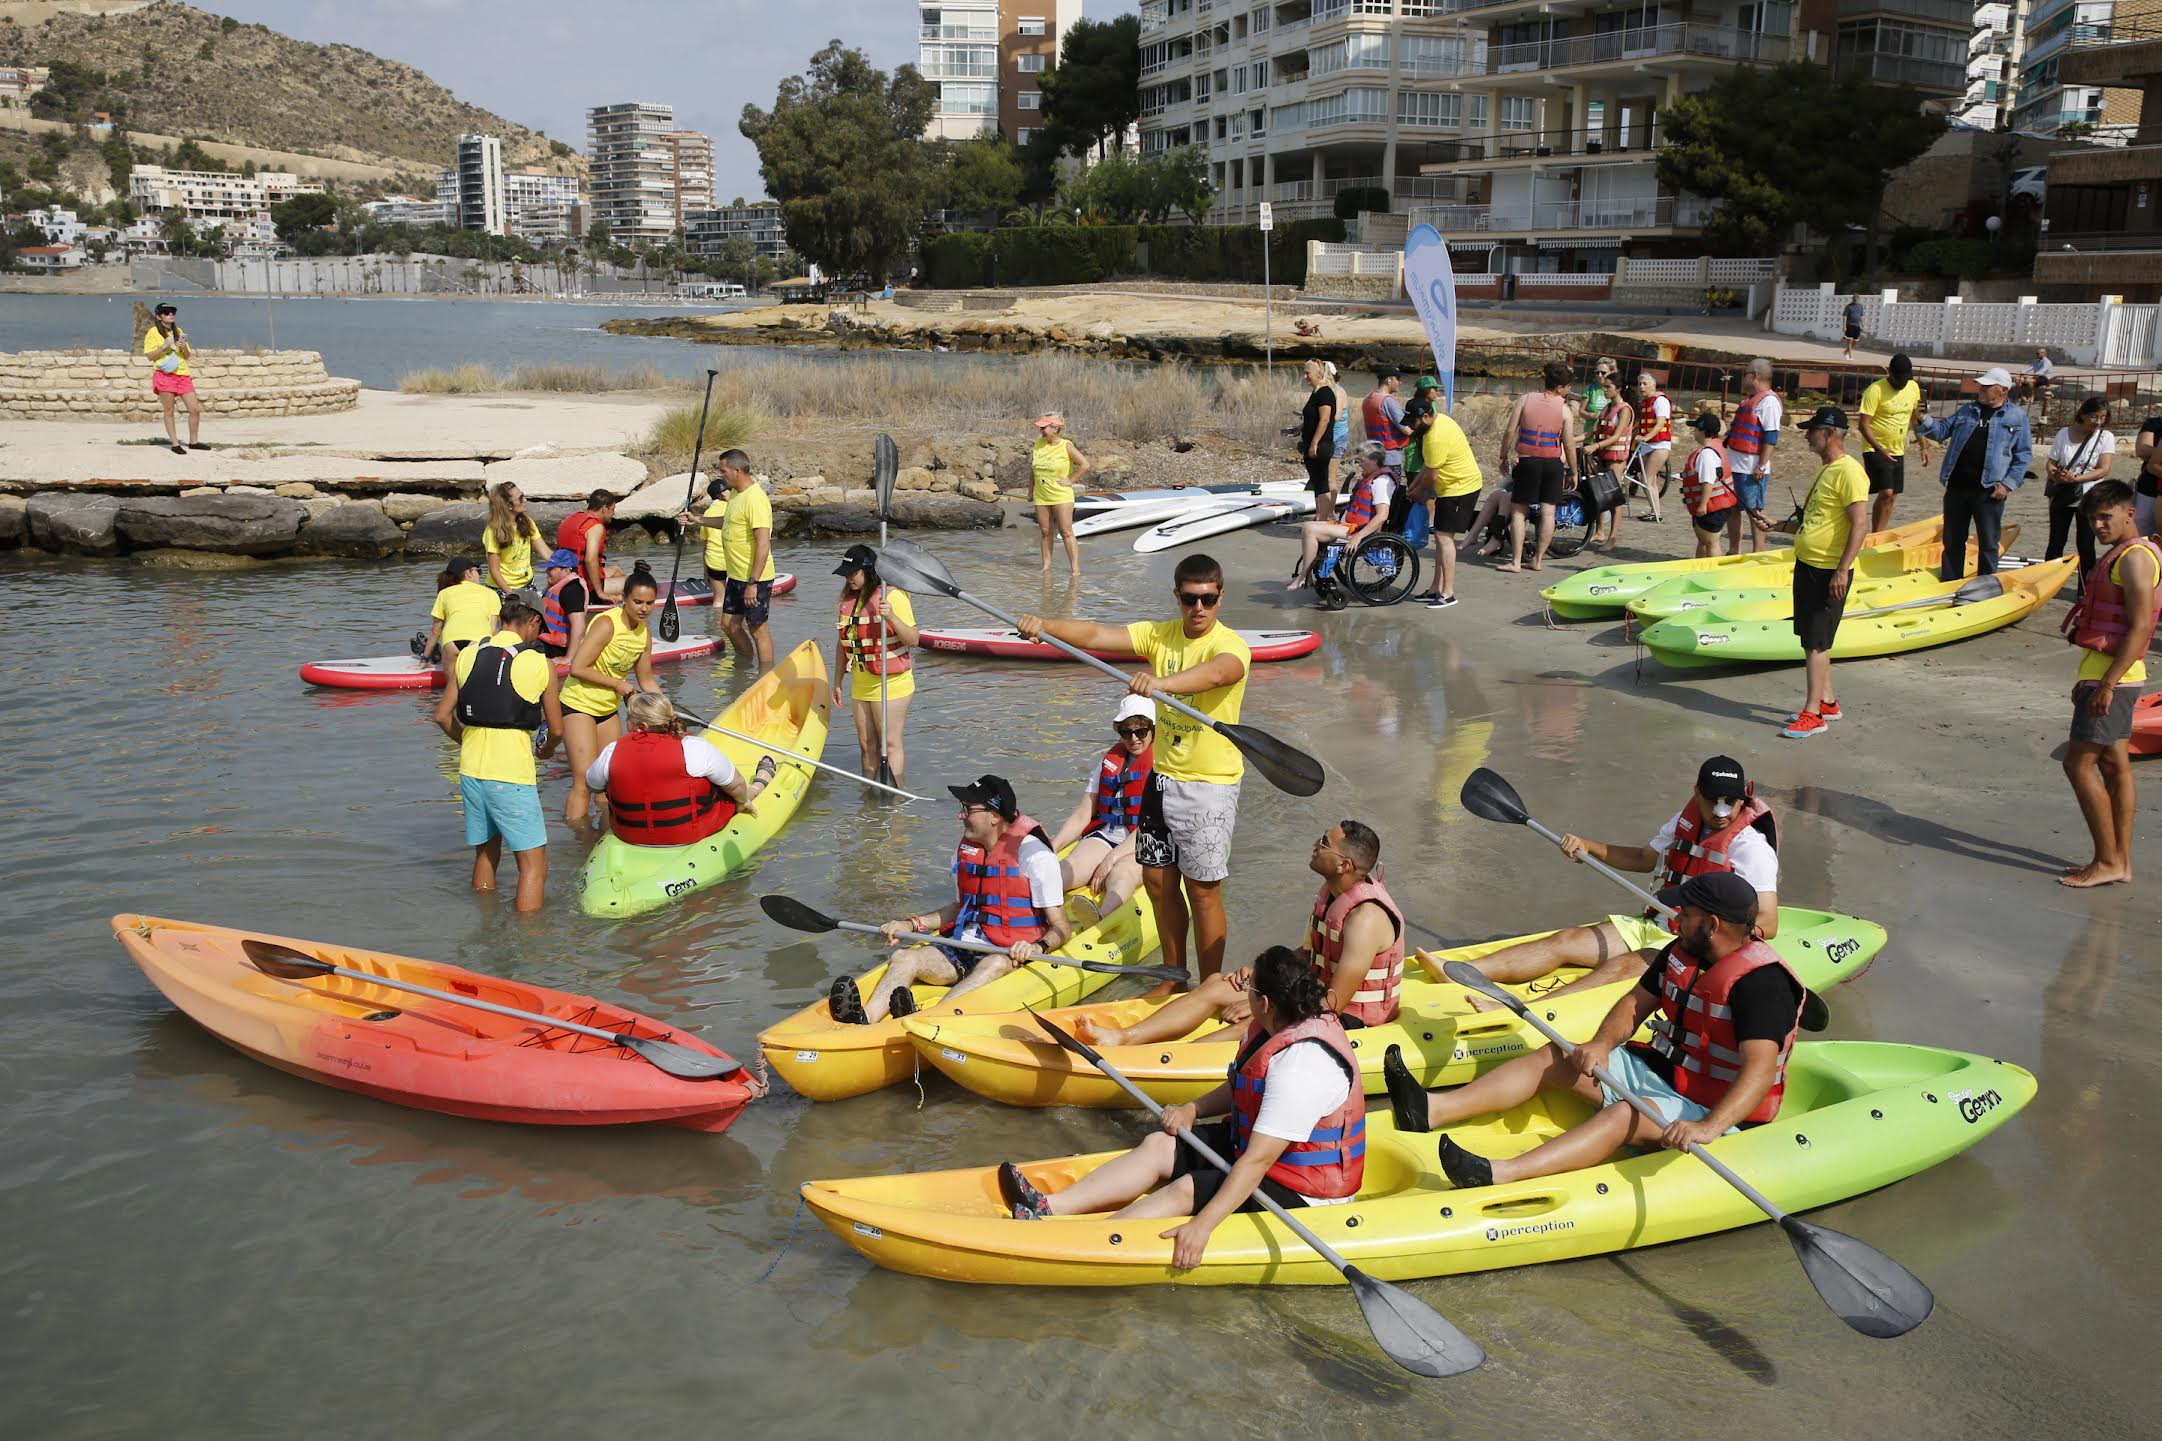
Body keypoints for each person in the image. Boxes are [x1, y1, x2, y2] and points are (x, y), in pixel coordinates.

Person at [1386, 873, 1802, 1194]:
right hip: (1668, 1079)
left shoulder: (1762, 986)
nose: (1677, 918)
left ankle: (1502, 1174)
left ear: (1711, 924)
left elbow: (1759, 1072)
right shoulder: (1683, 953)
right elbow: (1634, 1003)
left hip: (1721, 1115)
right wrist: (1601, 1044)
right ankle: (1431, 1109)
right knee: (1557, 1054)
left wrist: (1709, 1127)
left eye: (1687, 914)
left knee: (1626, 1114)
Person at [998, 945, 1367, 1245]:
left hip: (1303, 1193)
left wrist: (1202, 1227)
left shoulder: (1301, 1066)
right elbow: (1244, 1087)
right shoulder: (1271, 1027)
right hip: (1264, 1153)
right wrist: (1194, 1108)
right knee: (1160, 1145)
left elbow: (1256, 1163)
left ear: (1267, 1003)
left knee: (1186, 1189)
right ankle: (1050, 1207)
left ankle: (1085, 1241)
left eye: (1251, 990)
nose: (1244, 995)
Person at [1018, 554, 1251, 985]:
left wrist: (1161, 683)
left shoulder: (1231, 645)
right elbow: (1094, 633)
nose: (1198, 609)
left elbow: (1219, 674)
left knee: (1202, 893)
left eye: (1207, 599)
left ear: (1220, 598)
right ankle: (1172, 976)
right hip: (1162, 783)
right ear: (1177, 597)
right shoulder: (1159, 636)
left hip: (1209, 788)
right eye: (1189, 599)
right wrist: (1046, 626)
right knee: (1160, 885)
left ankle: (1211, 985)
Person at [1457, 755, 1778, 1004]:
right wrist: (1587, 845)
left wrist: (1710, 931)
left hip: (1694, 944)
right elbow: (1642, 859)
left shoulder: (1751, 849)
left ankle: (1521, 1007)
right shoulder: (1687, 820)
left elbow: (1770, 924)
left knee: (1622, 967)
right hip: (1657, 923)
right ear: (1696, 793)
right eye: (1712, 800)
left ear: (1743, 798)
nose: (1721, 811)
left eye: (1730, 802)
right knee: (1566, 940)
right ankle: (1462, 973)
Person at [1075, 819, 1405, 1050]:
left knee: (1255, 1021)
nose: (1315, 845)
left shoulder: (1364, 919)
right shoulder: (1331, 893)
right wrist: (1263, 976)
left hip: (1353, 1020)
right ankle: (1125, 1039)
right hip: (1313, 991)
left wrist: (1266, 1003)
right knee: (1218, 982)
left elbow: (1334, 1003)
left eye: (1324, 843)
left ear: (1344, 865)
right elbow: (1309, 955)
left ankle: (1163, 1061)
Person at [827, 774, 1072, 1025]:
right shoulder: (965, 851)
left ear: (995, 816)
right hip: (964, 947)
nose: (960, 815)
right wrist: (911, 924)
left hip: (1006, 953)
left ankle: (928, 1021)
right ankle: (864, 1020)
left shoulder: (1036, 856)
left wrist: (1037, 947)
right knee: (904, 958)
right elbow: (959, 908)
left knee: (994, 964)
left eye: (968, 809)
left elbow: (1062, 927)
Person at [431, 598, 566, 912]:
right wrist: (546, 751)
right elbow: (557, 730)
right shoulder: (538, 663)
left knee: (486, 853)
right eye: (540, 627)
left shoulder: (469, 654)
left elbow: (441, 716)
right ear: (532, 620)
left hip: (471, 772)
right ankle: (530, 944)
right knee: (534, 865)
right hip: (511, 775)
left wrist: (468, 740)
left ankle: (486, 920)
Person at [2058, 480, 2158, 889]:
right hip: (2108, 675)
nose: (2098, 525)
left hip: (2113, 678)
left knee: (2076, 763)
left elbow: (2138, 629)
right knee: (2114, 766)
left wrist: (2106, 685)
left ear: (2129, 514)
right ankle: (2121, 862)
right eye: (2093, 519)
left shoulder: (2135, 558)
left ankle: (2107, 860)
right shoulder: (2130, 554)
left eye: (2106, 517)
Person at [1777, 406, 1871, 740]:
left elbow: (1860, 524)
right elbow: (1816, 521)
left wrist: (1842, 570)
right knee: (1811, 639)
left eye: (1811, 429)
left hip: (1828, 569)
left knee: (1817, 642)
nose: (1806, 435)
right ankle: (1827, 700)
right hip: (1809, 565)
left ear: (1829, 433)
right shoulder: (1828, 469)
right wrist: (1775, 525)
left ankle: (1813, 713)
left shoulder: (1849, 472)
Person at [584, 692, 774, 848]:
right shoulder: (694, 747)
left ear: (641, 726)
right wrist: (742, 801)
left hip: (629, 835)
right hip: (689, 834)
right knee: (732, 791)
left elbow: (592, 785)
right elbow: (736, 785)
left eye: (629, 719)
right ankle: (758, 785)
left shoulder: (612, 750)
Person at [558, 563, 660, 825]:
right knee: (584, 779)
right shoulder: (606, 624)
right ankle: (579, 839)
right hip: (578, 705)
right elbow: (577, 667)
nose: (643, 609)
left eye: (649, 603)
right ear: (623, 598)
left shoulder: (644, 635)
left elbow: (646, 680)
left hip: (607, 710)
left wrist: (665, 710)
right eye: (637, 601)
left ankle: (605, 837)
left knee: (608, 780)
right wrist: (617, 685)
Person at [1914, 366, 2032, 581]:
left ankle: (1985, 585)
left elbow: (2022, 455)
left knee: (1988, 543)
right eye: (1982, 385)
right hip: (1957, 487)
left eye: (1987, 386)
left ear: (2003, 390)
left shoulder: (2016, 417)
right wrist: (1923, 418)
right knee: (1952, 541)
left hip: (1988, 491)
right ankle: (1951, 582)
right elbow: (1941, 432)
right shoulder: (1968, 410)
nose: (1981, 389)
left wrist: (2007, 485)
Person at [1048, 696, 1156, 919]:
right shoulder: (1110, 761)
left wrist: (1111, 859)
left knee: (1121, 873)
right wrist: (1053, 847)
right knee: (1070, 866)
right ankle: (1028, 905)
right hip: (1106, 836)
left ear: (1153, 729)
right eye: (1126, 732)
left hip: (1144, 840)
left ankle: (1101, 916)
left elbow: (1150, 825)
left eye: (1141, 731)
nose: (1133, 739)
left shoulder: (1162, 765)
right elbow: (1082, 814)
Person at [679, 448, 776, 671]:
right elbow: (729, 521)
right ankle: (744, 668)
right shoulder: (735, 494)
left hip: (755, 578)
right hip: (735, 575)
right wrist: (698, 520)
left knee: (757, 629)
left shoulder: (756, 499)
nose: (721, 476)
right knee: (729, 625)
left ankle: (766, 676)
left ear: (737, 470)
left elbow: (763, 543)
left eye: (723, 471)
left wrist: (753, 583)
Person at [831, 543, 919, 783]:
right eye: (846, 574)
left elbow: (913, 639)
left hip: (892, 682)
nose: (848, 578)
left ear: (870, 571)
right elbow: (844, 643)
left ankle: (895, 798)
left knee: (889, 744)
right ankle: (869, 799)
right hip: (861, 680)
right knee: (866, 744)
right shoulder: (849, 601)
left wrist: (890, 616)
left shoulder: (893, 597)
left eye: (853, 573)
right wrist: (837, 680)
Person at [1497, 360, 1580, 573]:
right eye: (1569, 387)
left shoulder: (1525, 400)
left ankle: (1516, 561)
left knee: (1518, 511)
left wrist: (1503, 456)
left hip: (1528, 462)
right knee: (1548, 512)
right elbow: (1569, 444)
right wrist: (1574, 470)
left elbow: (1509, 431)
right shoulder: (1564, 410)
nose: (1570, 391)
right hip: (1552, 465)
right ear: (1560, 387)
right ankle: (1538, 561)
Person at [1289, 442, 1391, 590]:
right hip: (1350, 526)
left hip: (1359, 531)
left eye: (1362, 461)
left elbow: (1382, 516)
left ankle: (1304, 576)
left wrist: (1359, 536)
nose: (1359, 465)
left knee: (1310, 529)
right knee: (1308, 527)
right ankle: (1307, 575)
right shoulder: (1370, 478)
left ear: (1375, 460)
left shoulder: (1381, 482)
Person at [1412, 404, 1483, 609]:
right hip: (1450, 488)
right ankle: (1436, 588)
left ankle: (1448, 593)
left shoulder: (1435, 437)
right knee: (1441, 537)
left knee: (1444, 537)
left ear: (1425, 417)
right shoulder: (1437, 423)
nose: (1411, 427)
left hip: (1462, 488)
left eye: (1413, 422)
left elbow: (1432, 475)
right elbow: (1429, 465)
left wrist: (1418, 492)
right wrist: (1414, 487)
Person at [2045, 398, 2117, 582]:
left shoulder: (2105, 437)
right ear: (2083, 415)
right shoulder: (2063, 433)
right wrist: (2056, 475)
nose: (2098, 422)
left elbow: (2104, 469)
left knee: (2085, 543)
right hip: (2063, 493)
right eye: (2094, 417)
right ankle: (2048, 581)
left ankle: (2085, 586)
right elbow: (2052, 462)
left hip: (2089, 495)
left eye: (2103, 417)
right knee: (2056, 540)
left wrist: (2076, 478)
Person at [1858, 353, 1927, 534]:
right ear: (1890, 373)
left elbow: (1915, 418)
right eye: (1899, 380)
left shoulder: (1913, 387)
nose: (1902, 384)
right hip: (1875, 448)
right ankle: (1872, 533)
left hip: (1898, 449)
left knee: (1892, 496)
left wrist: (1923, 445)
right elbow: (1863, 425)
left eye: (1905, 380)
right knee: (1886, 492)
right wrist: (1880, 449)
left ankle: (1878, 534)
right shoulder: (1875, 391)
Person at [1724, 359, 1783, 555]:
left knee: (1754, 511)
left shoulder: (1769, 403)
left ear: (1755, 375)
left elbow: (1771, 437)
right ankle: (1734, 550)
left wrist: (1762, 465)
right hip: (1734, 464)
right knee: (1732, 508)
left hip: (1751, 468)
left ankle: (1758, 552)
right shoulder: (1748, 401)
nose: (1742, 379)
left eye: (1745, 374)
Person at [1030, 412, 1088, 577]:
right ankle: (1046, 567)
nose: (1041, 430)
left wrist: (1071, 480)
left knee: (1066, 531)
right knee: (1045, 531)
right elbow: (1032, 470)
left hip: (1061, 495)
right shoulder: (1038, 444)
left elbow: (1085, 464)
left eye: (1044, 427)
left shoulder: (1066, 445)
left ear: (1055, 428)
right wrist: (1030, 491)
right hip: (1041, 495)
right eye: (1040, 427)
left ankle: (1075, 570)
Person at [143, 302, 202, 455]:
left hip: (182, 374)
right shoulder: (153, 332)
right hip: (164, 375)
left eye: (172, 311)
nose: (170, 314)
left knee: (194, 409)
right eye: (166, 312)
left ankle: (194, 442)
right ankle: (175, 444)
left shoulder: (178, 331)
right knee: (169, 410)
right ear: (158, 316)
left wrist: (183, 348)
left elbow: (187, 356)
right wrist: (165, 346)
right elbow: (150, 356)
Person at [423, 557, 501, 672]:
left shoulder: (444, 594)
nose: (479, 575)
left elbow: (435, 631)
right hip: (478, 641)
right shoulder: (490, 594)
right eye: (478, 571)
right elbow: (492, 630)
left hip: (451, 642)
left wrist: (424, 659)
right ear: (469, 573)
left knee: (451, 688)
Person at [1583, 380, 1635, 550]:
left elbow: (1616, 435)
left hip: (1615, 458)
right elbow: (1593, 432)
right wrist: (1571, 439)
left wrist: (1595, 446)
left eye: (1608, 387)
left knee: (1613, 497)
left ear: (1618, 388)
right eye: (1604, 387)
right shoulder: (1606, 408)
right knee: (1598, 493)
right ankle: (1600, 531)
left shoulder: (1625, 409)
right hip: (1602, 455)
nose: (1604, 390)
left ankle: (1612, 538)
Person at [1679, 413, 1736, 559]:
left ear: (1702, 431)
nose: (1694, 432)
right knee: (1704, 541)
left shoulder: (1706, 454)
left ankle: (1713, 574)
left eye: (1695, 429)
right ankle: (1700, 569)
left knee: (1711, 542)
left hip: (1711, 507)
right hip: (1719, 504)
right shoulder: (1716, 446)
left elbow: (1707, 481)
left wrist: (1702, 505)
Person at [555, 490, 621, 605]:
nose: (613, 513)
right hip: (581, 588)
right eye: (612, 509)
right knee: (633, 583)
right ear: (604, 508)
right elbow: (590, 559)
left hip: (564, 579)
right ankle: (609, 599)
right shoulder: (595, 527)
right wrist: (600, 592)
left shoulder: (571, 519)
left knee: (616, 570)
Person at [480, 482, 543, 598]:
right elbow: (494, 570)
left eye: (523, 495)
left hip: (528, 584)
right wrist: (511, 594)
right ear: (508, 505)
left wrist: (565, 564)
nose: (525, 500)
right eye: (520, 498)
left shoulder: (527, 522)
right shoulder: (493, 531)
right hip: (502, 588)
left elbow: (545, 552)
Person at [1297, 359, 1340, 524]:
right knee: (1317, 481)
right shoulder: (1316, 392)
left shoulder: (1325, 393)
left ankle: (1324, 519)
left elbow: (1324, 420)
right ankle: (1320, 518)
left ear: (1319, 374)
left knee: (1322, 482)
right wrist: (1300, 428)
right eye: (1304, 372)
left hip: (1321, 445)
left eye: (1308, 373)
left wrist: (1314, 443)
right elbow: (1313, 418)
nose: (1305, 376)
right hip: (1313, 443)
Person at [1630, 370, 1673, 523]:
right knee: (1651, 480)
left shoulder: (1660, 401)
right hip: (1647, 445)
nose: (1641, 387)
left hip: (1659, 444)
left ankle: (1656, 513)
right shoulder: (1645, 403)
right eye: (1640, 384)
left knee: (1647, 479)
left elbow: (1660, 423)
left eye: (1645, 384)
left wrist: (1646, 437)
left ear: (1653, 385)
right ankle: (1655, 511)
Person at [535, 547, 589, 661]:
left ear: (567, 571)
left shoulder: (571, 591)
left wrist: (568, 658)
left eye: (551, 568)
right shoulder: (558, 587)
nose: (547, 571)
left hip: (557, 648)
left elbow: (579, 627)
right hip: (545, 641)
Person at [1359, 368, 1410, 480]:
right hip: (1389, 458)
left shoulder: (1368, 398)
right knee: (1389, 494)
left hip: (1373, 456)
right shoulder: (1388, 401)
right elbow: (1407, 429)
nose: (1400, 382)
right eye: (1398, 379)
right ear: (1389, 380)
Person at [2135, 415, 2162, 537]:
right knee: (2142, 533)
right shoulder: (2154, 424)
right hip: (2149, 487)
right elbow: (2142, 450)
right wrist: (2159, 453)